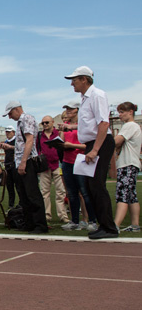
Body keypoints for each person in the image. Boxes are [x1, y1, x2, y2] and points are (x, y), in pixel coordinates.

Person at [63, 66, 117, 240]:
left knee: (96, 185)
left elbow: (103, 123)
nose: (72, 83)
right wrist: (72, 127)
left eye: (75, 80)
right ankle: (104, 225)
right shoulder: (85, 99)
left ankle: (109, 227)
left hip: (99, 143)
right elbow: (90, 123)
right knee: (89, 185)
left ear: (84, 79)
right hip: (92, 143)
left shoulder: (97, 95)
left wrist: (94, 150)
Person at [3, 100, 48, 233]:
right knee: (24, 195)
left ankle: (40, 224)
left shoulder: (27, 119)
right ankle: (29, 223)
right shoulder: (20, 122)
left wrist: (23, 162)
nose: (10, 117)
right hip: (20, 162)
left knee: (32, 194)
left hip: (27, 161)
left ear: (17, 109)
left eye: (10, 113)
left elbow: (29, 141)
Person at [58, 101, 97, 231]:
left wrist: (72, 146)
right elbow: (62, 142)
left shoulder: (83, 125)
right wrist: (61, 135)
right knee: (71, 193)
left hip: (80, 160)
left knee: (85, 192)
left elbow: (88, 146)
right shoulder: (67, 125)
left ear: (77, 110)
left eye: (70, 109)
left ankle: (92, 220)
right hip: (67, 161)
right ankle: (74, 221)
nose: (68, 111)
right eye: (66, 109)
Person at [36, 116, 68, 224]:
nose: (45, 124)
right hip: (44, 166)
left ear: (52, 122)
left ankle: (63, 215)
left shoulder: (58, 133)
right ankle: (46, 215)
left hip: (57, 164)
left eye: (47, 122)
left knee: (61, 192)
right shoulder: (40, 135)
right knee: (44, 192)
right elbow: (37, 149)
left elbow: (63, 145)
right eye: (43, 123)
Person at [114, 102, 140, 232]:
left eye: (122, 112)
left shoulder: (129, 125)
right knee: (131, 196)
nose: (120, 115)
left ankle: (116, 225)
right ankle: (135, 225)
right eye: (119, 112)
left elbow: (117, 141)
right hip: (131, 163)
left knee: (122, 194)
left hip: (127, 164)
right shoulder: (134, 126)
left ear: (130, 112)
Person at [0, 125, 18, 209]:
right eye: (6, 132)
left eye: (9, 132)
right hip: (7, 165)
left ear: (13, 132)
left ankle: (21, 203)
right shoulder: (7, 141)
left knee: (18, 185)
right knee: (9, 186)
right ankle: (11, 204)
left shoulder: (16, 141)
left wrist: (9, 147)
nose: (7, 134)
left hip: (15, 165)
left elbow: (19, 149)